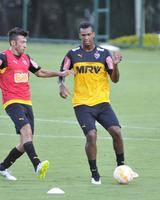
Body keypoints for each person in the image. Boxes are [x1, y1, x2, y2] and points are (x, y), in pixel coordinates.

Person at [0, 27, 71, 181]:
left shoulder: (26, 58)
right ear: (13, 43)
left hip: (27, 102)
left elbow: (40, 72)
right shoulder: (2, 57)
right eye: (22, 42)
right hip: (12, 102)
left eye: (25, 42)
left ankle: (2, 168)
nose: (25, 45)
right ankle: (37, 164)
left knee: (24, 143)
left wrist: (59, 73)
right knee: (26, 131)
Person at [58, 22, 138, 185]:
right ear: (80, 36)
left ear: (93, 34)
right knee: (91, 135)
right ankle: (95, 174)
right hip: (81, 104)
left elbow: (114, 79)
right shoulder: (72, 54)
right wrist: (61, 84)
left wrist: (115, 66)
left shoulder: (104, 54)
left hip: (102, 103)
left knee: (116, 131)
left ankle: (121, 167)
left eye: (88, 34)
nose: (86, 38)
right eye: (83, 35)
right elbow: (62, 72)